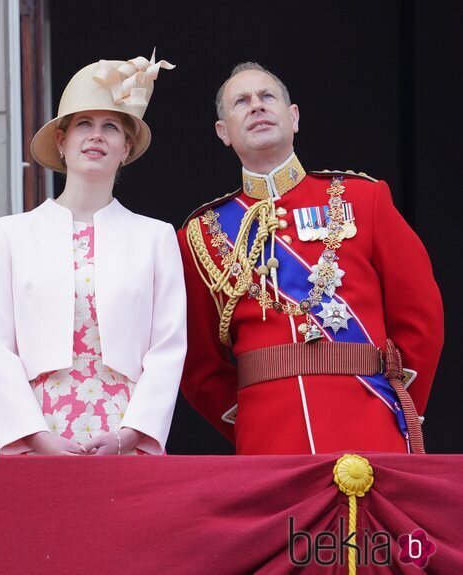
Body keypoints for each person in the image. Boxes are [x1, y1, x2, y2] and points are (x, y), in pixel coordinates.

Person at [178, 62, 444, 455]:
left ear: (294, 117)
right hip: (267, 439)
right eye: (241, 101)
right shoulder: (199, 235)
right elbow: (199, 365)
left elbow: (420, 317)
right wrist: (249, 420)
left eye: (267, 97)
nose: (256, 106)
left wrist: (397, 406)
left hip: (369, 423)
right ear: (223, 133)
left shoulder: (362, 199)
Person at [0, 53, 187, 455]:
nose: (96, 136)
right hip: (39, 431)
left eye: (111, 126)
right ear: (62, 141)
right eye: (83, 125)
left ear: (126, 147)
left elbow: (168, 346)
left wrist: (130, 436)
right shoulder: (10, 234)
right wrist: (37, 438)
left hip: (124, 433)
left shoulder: (156, 237)